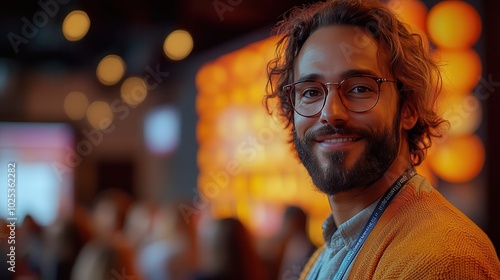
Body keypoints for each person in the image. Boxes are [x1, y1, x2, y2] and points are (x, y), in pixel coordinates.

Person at [264, 0, 500, 279]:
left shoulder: (442, 258)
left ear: (408, 109)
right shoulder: (326, 254)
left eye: (360, 88)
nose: (330, 113)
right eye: (311, 92)